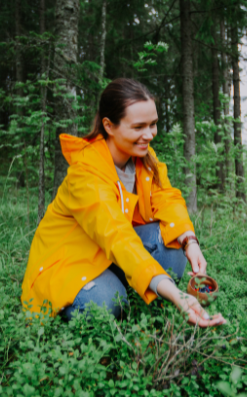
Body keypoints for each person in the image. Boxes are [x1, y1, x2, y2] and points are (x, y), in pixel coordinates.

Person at [20, 78, 225, 328]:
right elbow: (116, 234)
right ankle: (86, 300)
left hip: (109, 254)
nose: (148, 135)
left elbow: (167, 198)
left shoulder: (143, 158)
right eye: (138, 127)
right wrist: (175, 294)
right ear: (109, 125)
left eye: (153, 124)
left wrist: (189, 241)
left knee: (172, 241)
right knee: (110, 302)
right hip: (70, 263)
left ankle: (140, 287)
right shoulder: (86, 171)